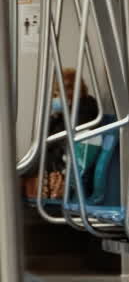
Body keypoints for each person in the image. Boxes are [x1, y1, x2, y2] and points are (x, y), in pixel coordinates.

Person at [38, 69, 101, 200]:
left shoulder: (86, 108)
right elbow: (44, 138)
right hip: (58, 162)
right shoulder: (64, 114)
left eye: (58, 93)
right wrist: (55, 117)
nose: (56, 98)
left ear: (72, 91)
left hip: (68, 166)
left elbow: (61, 140)